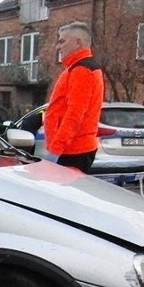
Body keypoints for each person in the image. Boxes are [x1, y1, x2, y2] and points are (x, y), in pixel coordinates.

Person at [43, 21, 104, 173]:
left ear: (78, 43)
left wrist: (55, 150)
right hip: (72, 149)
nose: (58, 46)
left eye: (62, 41)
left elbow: (74, 114)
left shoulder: (81, 70)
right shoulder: (77, 68)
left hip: (73, 151)